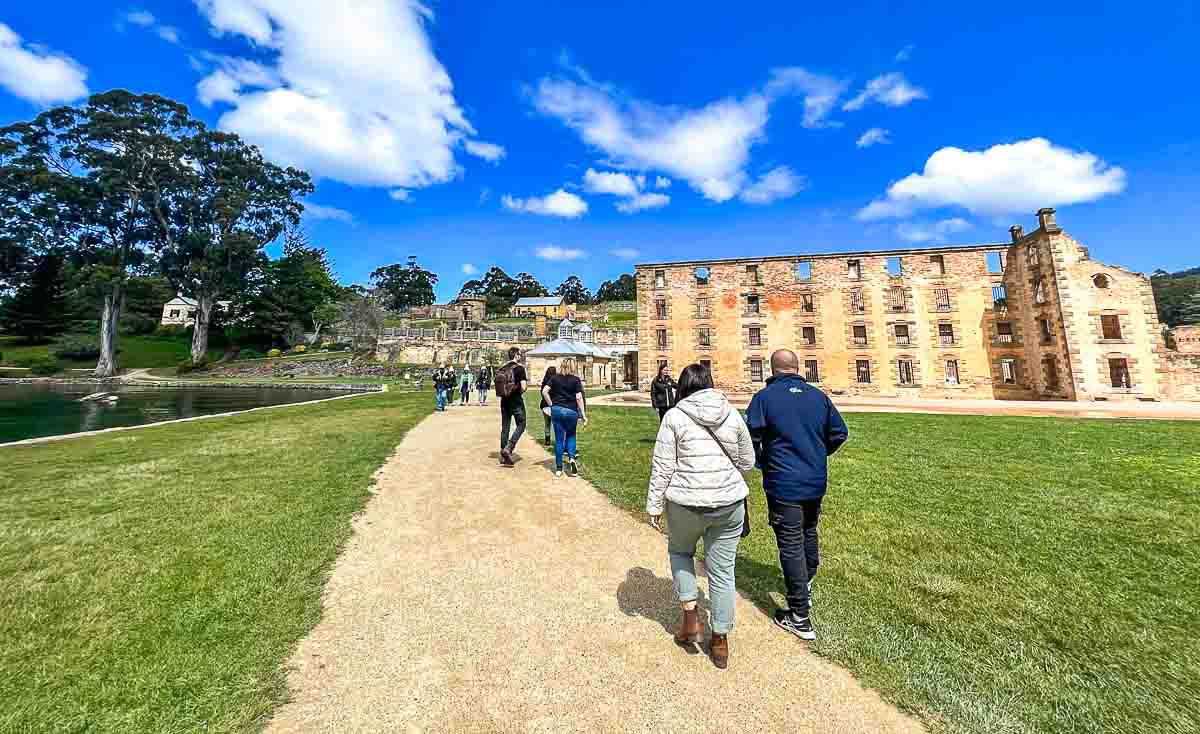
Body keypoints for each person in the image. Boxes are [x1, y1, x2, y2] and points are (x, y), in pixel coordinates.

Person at [645, 363, 754, 670]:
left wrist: (654, 505)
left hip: (685, 503)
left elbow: (663, 467)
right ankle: (720, 640)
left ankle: (691, 616)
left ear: (682, 387)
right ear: (710, 383)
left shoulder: (674, 417)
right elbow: (748, 461)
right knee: (723, 571)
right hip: (728, 503)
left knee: (680, 551)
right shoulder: (731, 413)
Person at [746, 349, 848, 642]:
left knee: (790, 542)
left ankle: (799, 615)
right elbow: (839, 433)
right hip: (815, 480)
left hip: (784, 481)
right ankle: (808, 580)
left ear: (772, 369)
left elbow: (751, 437)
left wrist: (763, 462)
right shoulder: (818, 397)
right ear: (797, 368)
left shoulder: (763, 399)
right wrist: (818, 454)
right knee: (808, 530)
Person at [542, 362, 587, 477]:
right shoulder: (576, 380)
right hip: (571, 411)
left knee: (558, 440)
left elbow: (544, 391)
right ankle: (571, 458)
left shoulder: (554, 378)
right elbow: (578, 397)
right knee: (571, 436)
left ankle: (558, 468)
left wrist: (551, 404)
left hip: (557, 410)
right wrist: (583, 414)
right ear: (573, 367)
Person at [495, 346, 528, 466]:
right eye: (520, 354)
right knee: (522, 423)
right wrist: (518, 393)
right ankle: (509, 448)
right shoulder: (519, 369)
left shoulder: (502, 368)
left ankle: (503, 455)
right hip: (516, 400)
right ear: (516, 355)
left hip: (504, 400)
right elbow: (524, 387)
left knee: (505, 427)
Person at [539, 366, 558, 445]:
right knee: (556, 424)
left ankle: (547, 440)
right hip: (553, 404)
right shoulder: (555, 381)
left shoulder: (544, 381)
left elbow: (542, 393)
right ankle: (558, 440)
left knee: (547, 423)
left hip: (544, 405)